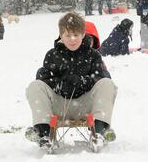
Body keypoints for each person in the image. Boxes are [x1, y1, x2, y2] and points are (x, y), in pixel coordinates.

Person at [25, 12, 118, 149]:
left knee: (108, 84)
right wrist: (59, 85)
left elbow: (101, 76)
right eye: (68, 35)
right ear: (61, 35)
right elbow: (44, 78)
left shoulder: (92, 55)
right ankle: (43, 133)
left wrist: (83, 81)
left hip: (85, 106)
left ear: (83, 34)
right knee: (35, 86)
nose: (72, 39)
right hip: (59, 105)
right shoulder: (52, 55)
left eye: (76, 35)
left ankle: (100, 131)